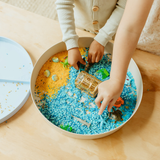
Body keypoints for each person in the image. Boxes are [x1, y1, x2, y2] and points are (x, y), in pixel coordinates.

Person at [56, 0, 154, 115]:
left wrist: (116, 80)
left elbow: (130, 25)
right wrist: (71, 43)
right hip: (83, 29)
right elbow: (63, 4)